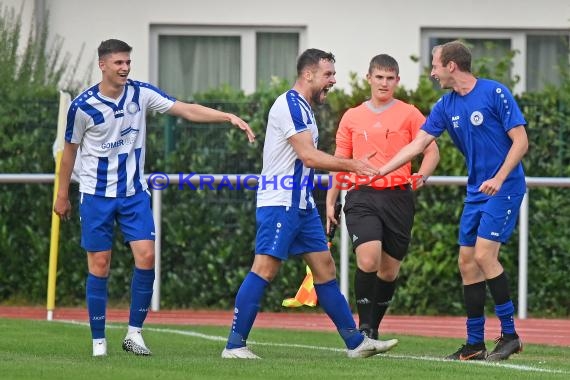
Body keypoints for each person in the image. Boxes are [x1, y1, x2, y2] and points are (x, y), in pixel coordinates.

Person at [53, 39, 255, 357]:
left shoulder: (141, 93)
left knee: (146, 257)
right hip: (96, 196)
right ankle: (98, 343)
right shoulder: (82, 106)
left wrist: (226, 116)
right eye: (118, 63)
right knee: (100, 265)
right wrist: (62, 195)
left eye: (127, 62)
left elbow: (185, 109)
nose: (125, 68)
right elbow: (69, 156)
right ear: (102, 65)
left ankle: (134, 334)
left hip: (134, 194)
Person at [221, 48, 399, 359]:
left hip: (299, 204)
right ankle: (234, 346)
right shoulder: (289, 105)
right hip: (281, 202)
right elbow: (308, 156)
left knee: (325, 269)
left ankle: (356, 344)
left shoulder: (303, 107)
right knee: (264, 269)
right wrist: (353, 165)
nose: (333, 80)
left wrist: (349, 165)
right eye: (328, 74)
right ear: (308, 75)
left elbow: (307, 159)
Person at [376, 40, 528, 361]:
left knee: (486, 256)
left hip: (506, 187)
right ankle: (475, 344)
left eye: (434, 66)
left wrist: (499, 178)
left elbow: (521, 142)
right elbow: (418, 144)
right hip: (476, 192)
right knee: (466, 262)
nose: (432, 73)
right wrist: (379, 171)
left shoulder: (495, 93)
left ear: (451, 66)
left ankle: (510, 335)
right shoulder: (445, 106)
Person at [325, 54, 439, 340]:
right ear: (369, 78)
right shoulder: (351, 116)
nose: (384, 83)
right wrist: (330, 200)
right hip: (362, 196)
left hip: (399, 198)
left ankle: (373, 329)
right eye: (379, 77)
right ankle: (363, 328)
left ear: (397, 81)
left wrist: (421, 176)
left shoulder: (410, 113)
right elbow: (340, 160)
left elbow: (431, 150)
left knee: (388, 272)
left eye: (390, 78)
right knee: (368, 259)